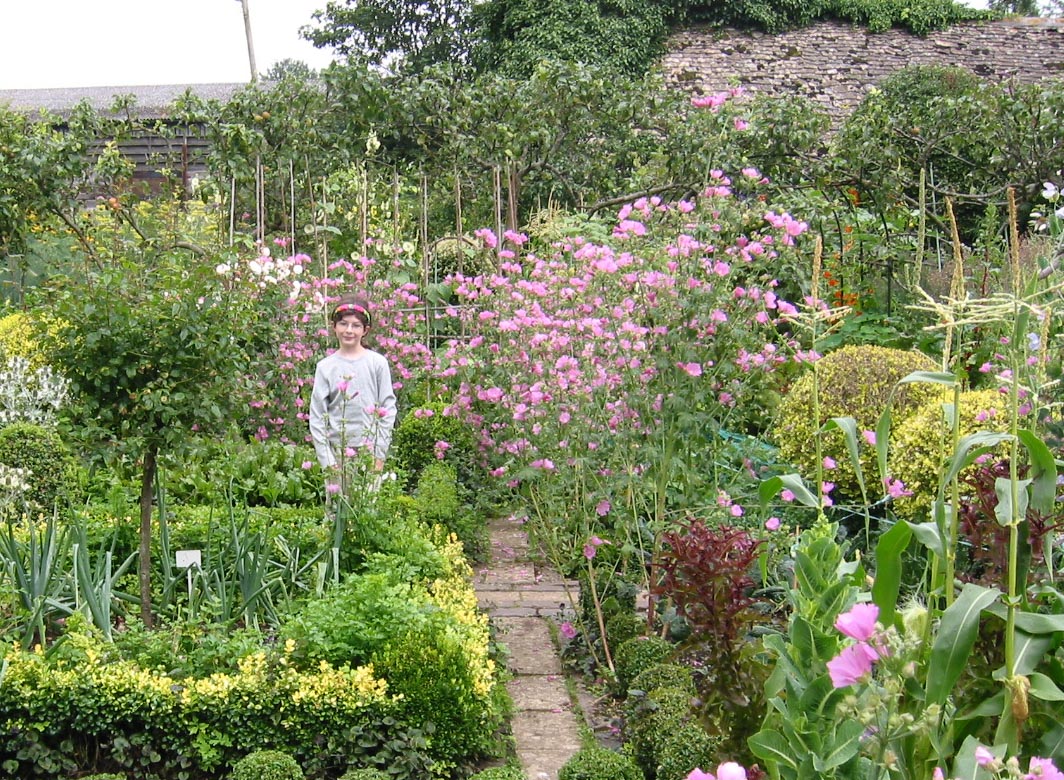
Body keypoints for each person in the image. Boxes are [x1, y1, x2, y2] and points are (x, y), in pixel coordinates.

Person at [309, 294, 397, 496]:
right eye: (343, 324)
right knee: (337, 512)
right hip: (337, 453)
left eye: (356, 325)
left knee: (366, 511)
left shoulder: (377, 364)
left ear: (365, 330)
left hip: (368, 452)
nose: (349, 330)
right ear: (334, 327)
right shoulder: (325, 367)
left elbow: (387, 409)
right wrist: (328, 461)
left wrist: (379, 455)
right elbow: (317, 416)